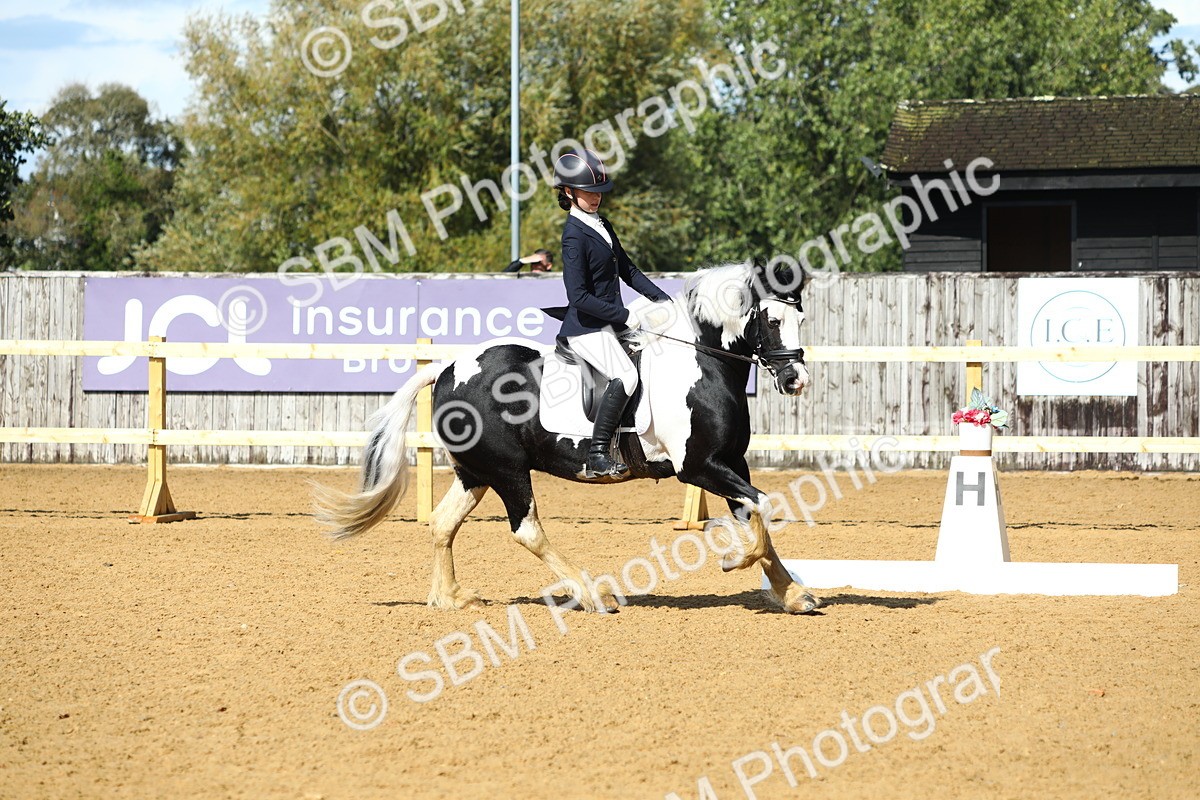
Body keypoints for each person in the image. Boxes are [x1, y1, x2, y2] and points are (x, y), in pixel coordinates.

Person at [554, 149, 670, 478]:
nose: (595, 198)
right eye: (588, 192)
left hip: (610, 323)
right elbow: (577, 297)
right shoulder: (573, 236)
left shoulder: (602, 224)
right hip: (586, 328)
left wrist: (662, 299)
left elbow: (628, 270)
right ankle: (598, 452)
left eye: (598, 193)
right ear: (568, 192)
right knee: (627, 376)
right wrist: (623, 316)